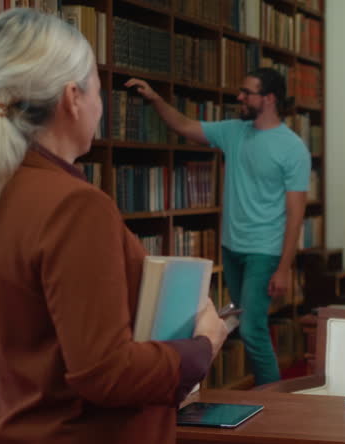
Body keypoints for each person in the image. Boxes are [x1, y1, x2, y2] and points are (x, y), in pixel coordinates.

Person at [0, 9, 228, 444]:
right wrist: (202, 345)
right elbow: (105, 372)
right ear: (73, 98)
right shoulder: (76, 206)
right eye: (97, 87)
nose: (102, 104)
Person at [125, 68, 309, 385]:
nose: (239, 97)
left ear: (269, 99)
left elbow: (296, 213)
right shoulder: (233, 131)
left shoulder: (292, 148)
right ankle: (260, 394)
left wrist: (284, 268)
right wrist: (155, 99)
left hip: (263, 251)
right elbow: (183, 125)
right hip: (232, 246)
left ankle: (276, 402)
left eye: (246, 92)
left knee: (252, 328)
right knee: (238, 325)